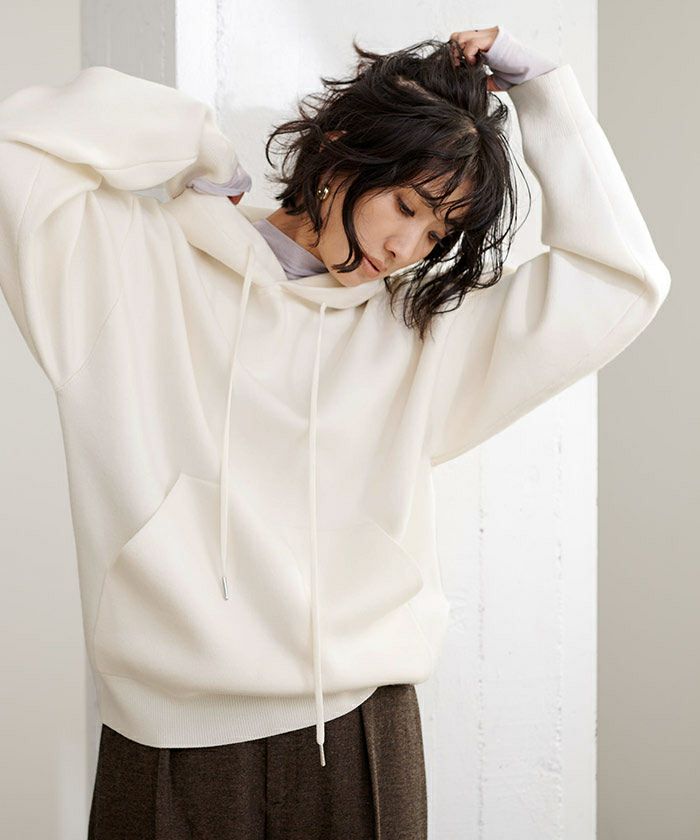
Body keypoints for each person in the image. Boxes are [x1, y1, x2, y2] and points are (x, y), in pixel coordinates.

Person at [0, 23, 670, 840]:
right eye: (407, 205)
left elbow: (621, 281)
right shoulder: (133, 268)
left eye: (437, 234)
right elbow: (16, 150)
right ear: (340, 148)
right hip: (166, 731)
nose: (406, 246)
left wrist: (547, 92)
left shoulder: (420, 335)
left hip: (359, 728)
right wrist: (192, 144)